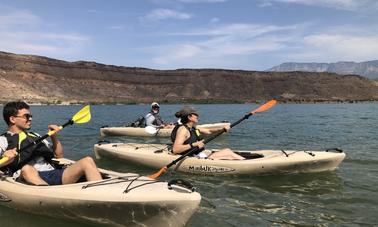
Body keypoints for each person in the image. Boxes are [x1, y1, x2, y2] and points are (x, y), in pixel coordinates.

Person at [0, 101, 102, 185]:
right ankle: (50, 193)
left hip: (52, 173)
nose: (30, 119)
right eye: (26, 116)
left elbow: (59, 155)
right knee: (27, 169)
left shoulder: (35, 136)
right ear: (12, 119)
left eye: (31, 116)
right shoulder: (3, 140)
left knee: (87, 161)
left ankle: (101, 193)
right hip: (27, 177)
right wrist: (6, 159)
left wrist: (54, 136)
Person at [171, 106, 245, 160]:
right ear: (189, 117)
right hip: (193, 158)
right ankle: (246, 164)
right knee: (229, 155)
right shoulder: (183, 130)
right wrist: (195, 144)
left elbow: (209, 131)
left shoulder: (193, 128)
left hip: (199, 154)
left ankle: (245, 162)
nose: (198, 115)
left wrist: (222, 129)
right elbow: (176, 149)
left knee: (227, 151)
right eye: (195, 114)